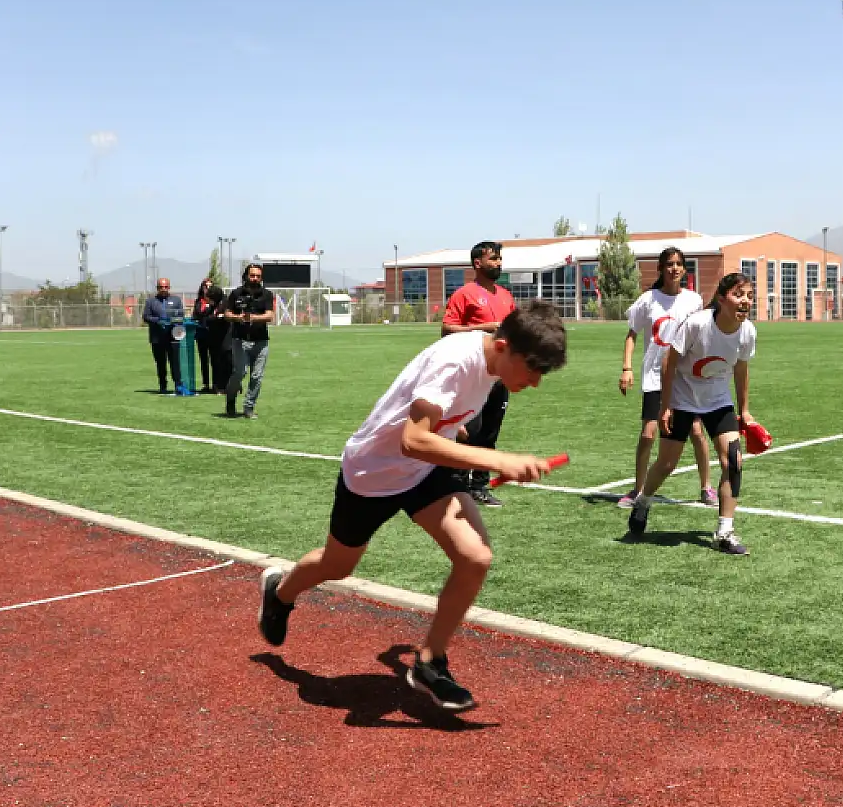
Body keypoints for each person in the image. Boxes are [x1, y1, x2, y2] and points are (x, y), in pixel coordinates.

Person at [257, 301, 569, 712]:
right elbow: (413, 440)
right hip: (374, 473)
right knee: (338, 564)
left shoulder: (492, 368)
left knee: (474, 557)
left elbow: (433, 433)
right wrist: (497, 459)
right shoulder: (457, 361)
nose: (534, 382)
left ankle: (430, 662)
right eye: (532, 369)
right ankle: (280, 594)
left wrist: (456, 431)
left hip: (424, 473)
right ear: (504, 346)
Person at [627, 272, 759, 556]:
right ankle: (643, 501)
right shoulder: (698, 324)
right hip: (682, 399)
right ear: (722, 299)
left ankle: (724, 531)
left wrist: (744, 411)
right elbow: (668, 363)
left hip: (718, 402)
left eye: (749, 295)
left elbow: (741, 370)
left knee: (733, 462)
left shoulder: (747, 331)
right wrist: (665, 407)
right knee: (666, 464)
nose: (745, 301)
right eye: (739, 295)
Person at [618, 247, 716, 510]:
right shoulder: (648, 300)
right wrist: (627, 368)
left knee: (696, 431)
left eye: (678, 264)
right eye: (669, 264)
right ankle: (638, 489)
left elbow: (701, 336)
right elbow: (632, 334)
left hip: (684, 378)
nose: (674, 268)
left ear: (684, 269)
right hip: (654, 376)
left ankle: (707, 487)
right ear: (661, 269)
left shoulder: (694, 301)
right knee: (648, 434)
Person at [440, 241, 516, 507]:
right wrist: (486, 327)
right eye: (493, 259)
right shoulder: (464, 294)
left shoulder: (506, 296)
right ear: (477, 263)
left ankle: (479, 486)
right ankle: (456, 486)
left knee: (490, 433)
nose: (498, 263)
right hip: (474, 373)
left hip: (500, 375)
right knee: (469, 431)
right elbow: (446, 330)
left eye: (499, 258)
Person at [222, 263, 276, 419]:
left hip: (261, 341)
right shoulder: (236, 293)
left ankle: (249, 407)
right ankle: (230, 400)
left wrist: (253, 318)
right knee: (240, 372)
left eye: (258, 276)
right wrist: (239, 318)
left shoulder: (266, 294)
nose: (255, 279)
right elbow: (227, 314)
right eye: (252, 275)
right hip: (240, 340)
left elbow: (270, 316)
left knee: (257, 376)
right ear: (246, 276)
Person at [142, 278, 186, 395]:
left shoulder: (176, 300)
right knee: (161, 363)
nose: (163, 289)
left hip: (173, 337)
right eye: (161, 287)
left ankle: (178, 385)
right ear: (157, 288)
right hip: (157, 338)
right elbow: (146, 317)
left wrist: (173, 321)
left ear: (169, 287)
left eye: (166, 287)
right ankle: (163, 385)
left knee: (175, 362)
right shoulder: (151, 301)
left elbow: (181, 315)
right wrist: (158, 320)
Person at [192, 277, 225, 394]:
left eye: (210, 286)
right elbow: (196, 315)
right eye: (206, 286)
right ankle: (205, 384)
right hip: (201, 334)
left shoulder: (217, 303)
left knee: (215, 360)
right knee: (203, 360)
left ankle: (216, 385)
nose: (208, 288)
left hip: (213, 334)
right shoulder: (199, 302)